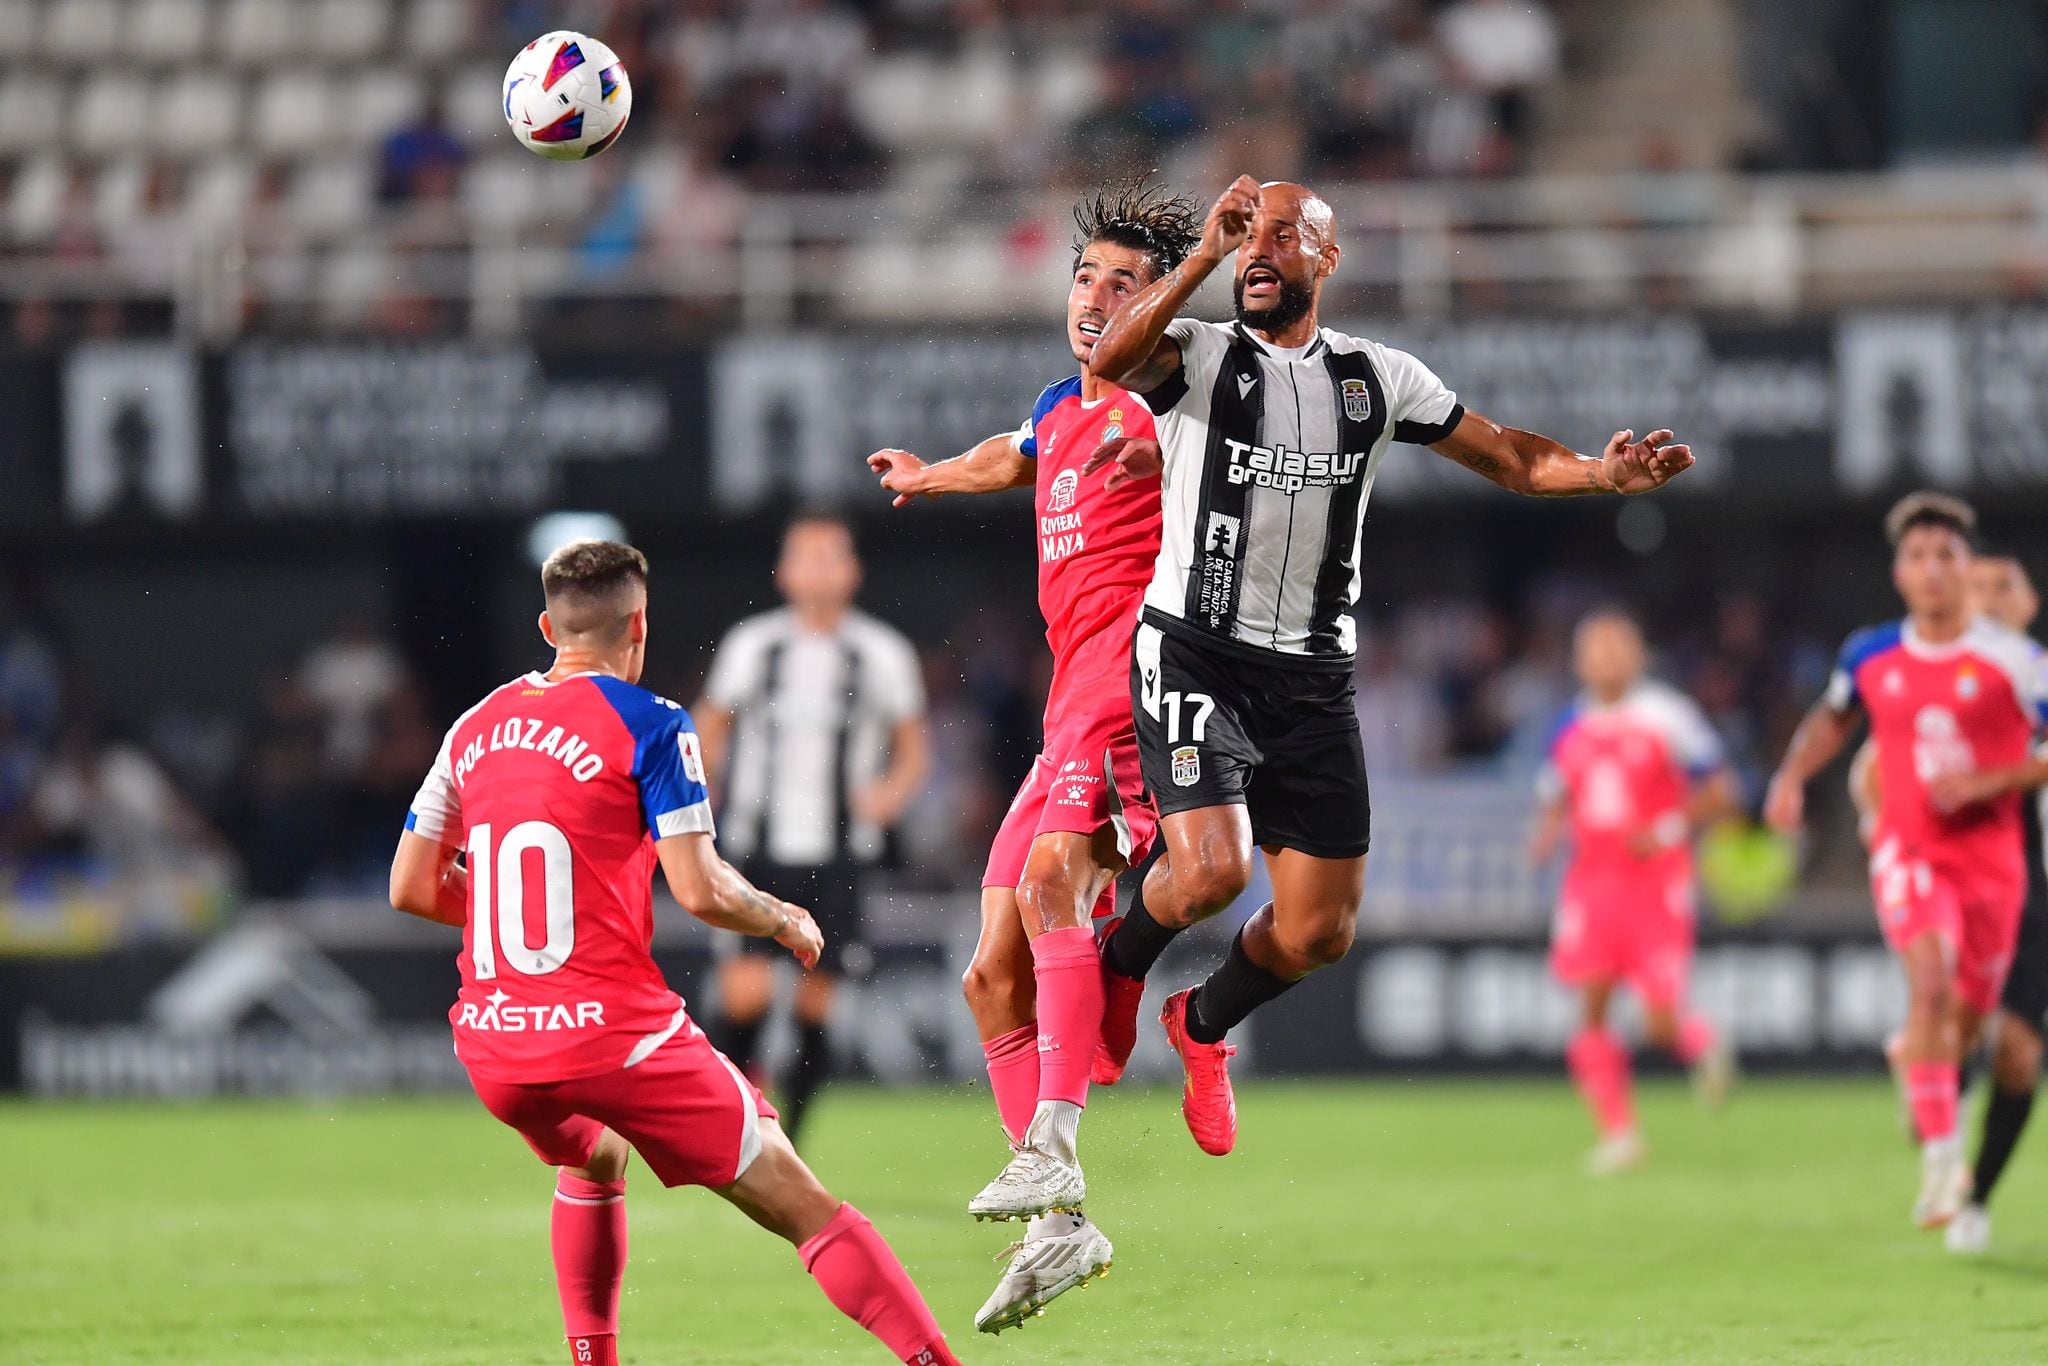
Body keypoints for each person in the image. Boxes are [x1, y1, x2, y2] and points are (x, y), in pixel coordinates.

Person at [1079, 174, 1695, 1156]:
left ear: (1325, 259)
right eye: (1249, 238)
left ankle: (1196, 1024)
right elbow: (1111, 362)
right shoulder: (1198, 356)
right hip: (1197, 650)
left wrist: (1599, 471)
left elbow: (1512, 459)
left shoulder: (1377, 379)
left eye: (1284, 237)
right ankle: (1114, 969)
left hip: (1312, 680)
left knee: (1320, 932)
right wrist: (1196, 252)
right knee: (1208, 870)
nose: (1258, 252)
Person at [387, 540, 960, 1366]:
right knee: (806, 1206)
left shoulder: (472, 728)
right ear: (640, 627)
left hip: (496, 1044)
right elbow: (700, 889)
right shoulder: (652, 723)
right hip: (616, 1038)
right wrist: (780, 918)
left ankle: (594, 1357)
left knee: (593, 1153)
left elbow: (410, 886)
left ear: (549, 627)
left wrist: (519, 916)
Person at [869, 184, 1200, 1333]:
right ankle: (1060, 1232)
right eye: (1083, 280)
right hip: (1070, 704)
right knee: (984, 976)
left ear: (1156, 303)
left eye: (1123, 284)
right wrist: (924, 475)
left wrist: (1205, 261)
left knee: (1058, 876)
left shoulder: (1174, 402)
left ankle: (1052, 1147)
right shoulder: (1065, 406)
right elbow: (1005, 454)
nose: (1094, 301)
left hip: (1136, 682)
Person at [1766, 495, 2048, 1230]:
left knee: (1969, 1021)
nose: (1932, 570)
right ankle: (1943, 1165)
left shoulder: (2015, 661)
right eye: (1918, 556)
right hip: (1910, 846)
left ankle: (1923, 1082)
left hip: (1995, 865)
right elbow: (1834, 720)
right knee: (1929, 978)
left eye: (1946, 556)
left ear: (1966, 568)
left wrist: (1994, 780)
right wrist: (1792, 777)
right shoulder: (1870, 653)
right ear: (1898, 571)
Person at [695, 511, 929, 1145]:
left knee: (815, 1002)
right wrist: (698, 794)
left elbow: (914, 747)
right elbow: (708, 727)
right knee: (742, 996)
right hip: (754, 845)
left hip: (840, 851)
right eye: (807, 555)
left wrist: (888, 797)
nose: (821, 568)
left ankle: (788, 1141)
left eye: (833, 555)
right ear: (784, 572)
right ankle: (735, 1129)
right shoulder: (753, 644)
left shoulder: (882, 652)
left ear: (853, 571)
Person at [1528, 612, 1740, 1175]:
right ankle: (1620, 1135)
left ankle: (1701, 1042)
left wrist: (1667, 828)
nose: (1605, 659)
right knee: (1591, 1009)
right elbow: (1555, 793)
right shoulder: (1568, 725)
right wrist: (1547, 833)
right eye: (1594, 649)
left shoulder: (1668, 716)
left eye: (1616, 647)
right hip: (1591, 882)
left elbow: (1723, 790)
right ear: (1578, 660)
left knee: (1658, 1020)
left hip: (1656, 881)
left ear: (1638, 655)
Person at [1936, 555, 2044, 1253]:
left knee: (2019, 1057)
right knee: (1954, 1025)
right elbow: (1876, 765)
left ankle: (1974, 1195)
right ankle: (1936, 1111)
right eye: (1973, 586)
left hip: (2035, 890)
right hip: (1959, 883)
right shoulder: (1939, 682)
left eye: (2002, 584)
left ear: (2029, 602)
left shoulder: (2036, 676)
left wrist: (1986, 781)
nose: (1988, 597)